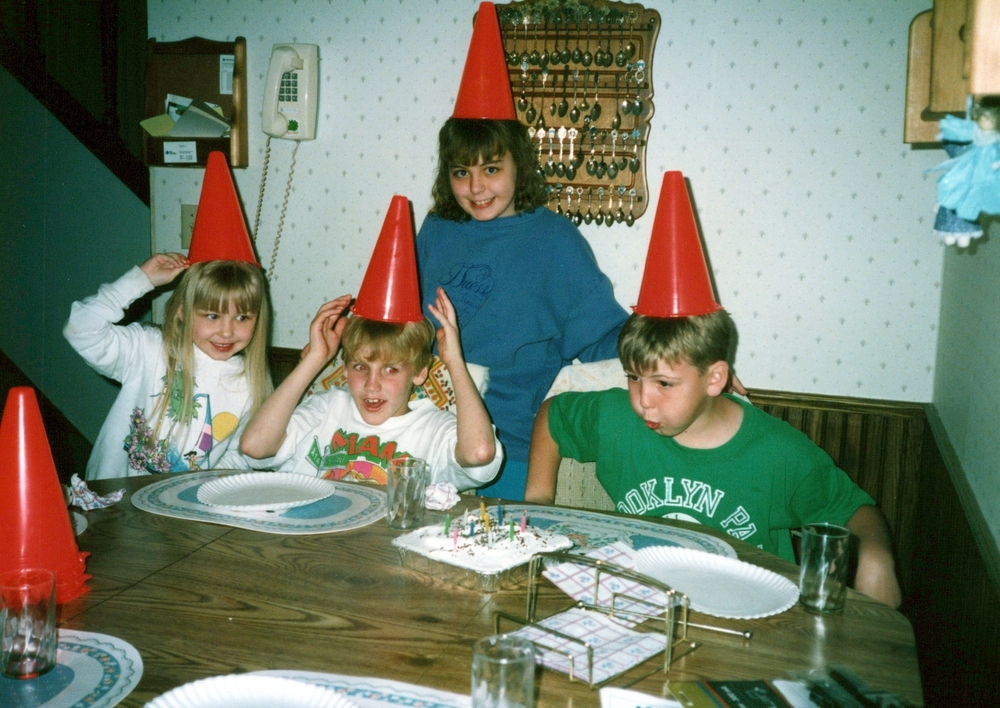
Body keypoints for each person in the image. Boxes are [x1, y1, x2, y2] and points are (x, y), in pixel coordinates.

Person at [525, 172, 902, 608]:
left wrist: (875, 556)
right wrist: (540, 503)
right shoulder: (617, 417)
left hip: (750, 615)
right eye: (633, 377)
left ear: (715, 378)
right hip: (648, 605)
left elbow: (857, 511)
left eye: (664, 384)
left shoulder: (776, 453)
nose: (643, 400)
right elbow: (553, 416)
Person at [416, 2, 627, 500]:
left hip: (509, 445)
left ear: (519, 165)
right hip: (425, 433)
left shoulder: (554, 240)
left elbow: (606, 337)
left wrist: (686, 357)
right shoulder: (436, 229)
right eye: (461, 172)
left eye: (491, 169)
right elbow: (402, 324)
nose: (476, 187)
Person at [240, 195, 502, 490]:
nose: (371, 385)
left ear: (419, 372)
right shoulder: (327, 409)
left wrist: (454, 362)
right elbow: (254, 446)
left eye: (391, 370)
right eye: (361, 367)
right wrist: (314, 359)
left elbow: (479, 453)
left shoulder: (432, 429)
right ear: (345, 367)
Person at [64, 152, 272, 480]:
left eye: (243, 317)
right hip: (112, 500)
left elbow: (240, 456)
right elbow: (81, 329)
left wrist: (204, 485)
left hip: (180, 506)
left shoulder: (249, 384)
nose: (227, 331)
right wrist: (141, 280)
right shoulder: (148, 350)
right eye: (212, 316)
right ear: (181, 312)